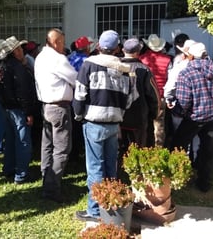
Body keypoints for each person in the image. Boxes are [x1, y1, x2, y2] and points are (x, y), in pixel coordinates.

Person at [73, 30, 132, 222]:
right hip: (114, 123)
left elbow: (80, 94)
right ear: (117, 49)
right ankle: (110, 204)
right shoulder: (125, 69)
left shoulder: (89, 65)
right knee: (110, 166)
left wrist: (79, 114)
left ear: (98, 46)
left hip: (94, 123)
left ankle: (95, 211)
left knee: (95, 168)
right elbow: (129, 100)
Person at [172, 42, 213, 192]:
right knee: (208, 149)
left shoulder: (186, 73)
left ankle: (177, 178)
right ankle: (204, 183)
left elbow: (184, 101)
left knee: (178, 146)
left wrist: (178, 111)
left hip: (194, 118)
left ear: (191, 56)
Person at [34, 28, 77, 203]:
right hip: (59, 107)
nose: (64, 45)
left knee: (47, 145)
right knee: (61, 149)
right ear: (56, 42)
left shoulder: (40, 57)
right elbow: (74, 78)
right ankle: (51, 188)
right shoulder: (58, 58)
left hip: (46, 106)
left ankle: (47, 178)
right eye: (62, 42)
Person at [0, 36, 37, 184]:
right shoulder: (18, 67)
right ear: (14, 52)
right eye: (19, 49)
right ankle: (21, 174)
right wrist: (28, 112)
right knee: (23, 141)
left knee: (11, 140)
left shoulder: (2, 66)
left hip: (7, 108)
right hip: (18, 109)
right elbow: (23, 91)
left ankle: (9, 168)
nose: (22, 51)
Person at [120, 38, 160, 149]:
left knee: (120, 148)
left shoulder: (116, 67)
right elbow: (153, 96)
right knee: (139, 149)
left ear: (123, 50)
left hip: (118, 116)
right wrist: (153, 114)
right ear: (138, 52)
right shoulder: (145, 70)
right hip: (139, 117)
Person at [140, 34, 171, 147]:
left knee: (144, 123)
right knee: (159, 125)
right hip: (160, 96)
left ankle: (145, 147)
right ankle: (158, 149)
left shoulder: (141, 59)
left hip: (144, 96)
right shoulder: (167, 60)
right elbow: (170, 79)